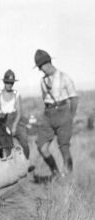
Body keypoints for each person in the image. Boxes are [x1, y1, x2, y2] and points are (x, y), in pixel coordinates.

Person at [34, 49, 78, 178]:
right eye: (40, 67)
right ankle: (56, 173)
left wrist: (71, 116)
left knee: (64, 147)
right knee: (41, 146)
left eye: (41, 66)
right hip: (48, 114)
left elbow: (74, 98)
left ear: (48, 63)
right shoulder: (42, 81)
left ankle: (68, 178)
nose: (41, 70)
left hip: (63, 112)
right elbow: (44, 98)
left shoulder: (64, 77)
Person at [0, 69, 30, 160]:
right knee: (6, 145)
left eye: (11, 83)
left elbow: (19, 112)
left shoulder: (16, 94)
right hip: (3, 120)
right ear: (4, 82)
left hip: (15, 119)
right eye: (7, 82)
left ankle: (26, 161)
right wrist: (2, 125)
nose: (9, 85)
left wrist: (14, 125)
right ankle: (8, 164)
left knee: (24, 142)